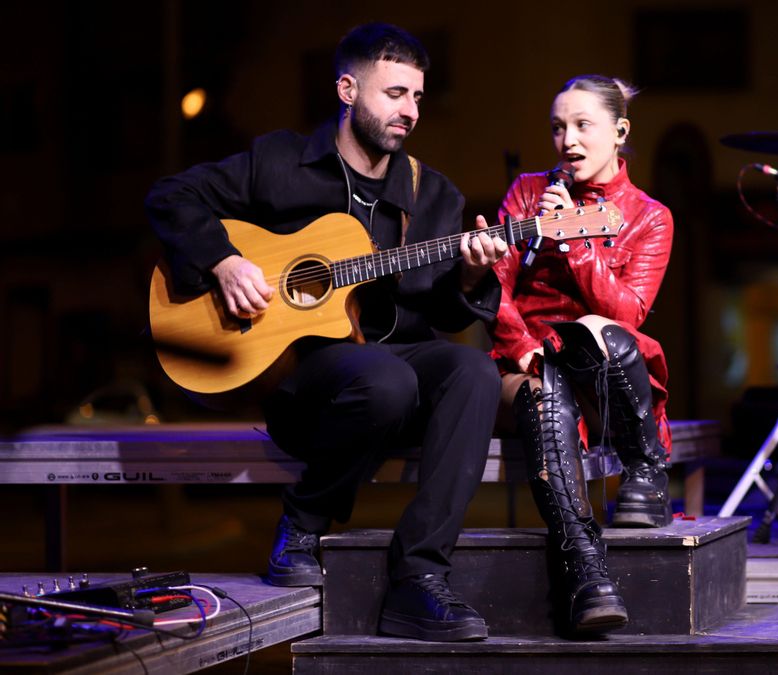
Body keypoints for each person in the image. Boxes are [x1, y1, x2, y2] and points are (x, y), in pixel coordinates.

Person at [145, 23, 509, 642]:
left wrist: (473, 279)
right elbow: (170, 195)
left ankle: (420, 577)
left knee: (473, 371)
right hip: (304, 384)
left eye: (417, 97)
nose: (410, 111)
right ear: (347, 88)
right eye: (395, 94)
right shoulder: (280, 162)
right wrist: (224, 260)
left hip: (391, 374)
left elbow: (448, 317)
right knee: (386, 377)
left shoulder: (432, 195)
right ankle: (304, 524)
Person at [488, 74, 674, 635]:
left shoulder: (649, 216)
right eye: (557, 127)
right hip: (531, 365)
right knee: (546, 395)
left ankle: (646, 472)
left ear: (619, 132)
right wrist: (520, 346)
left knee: (602, 331)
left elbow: (628, 313)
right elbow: (495, 286)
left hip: (605, 376)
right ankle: (586, 571)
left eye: (581, 125)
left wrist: (570, 238)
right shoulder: (526, 192)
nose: (566, 140)